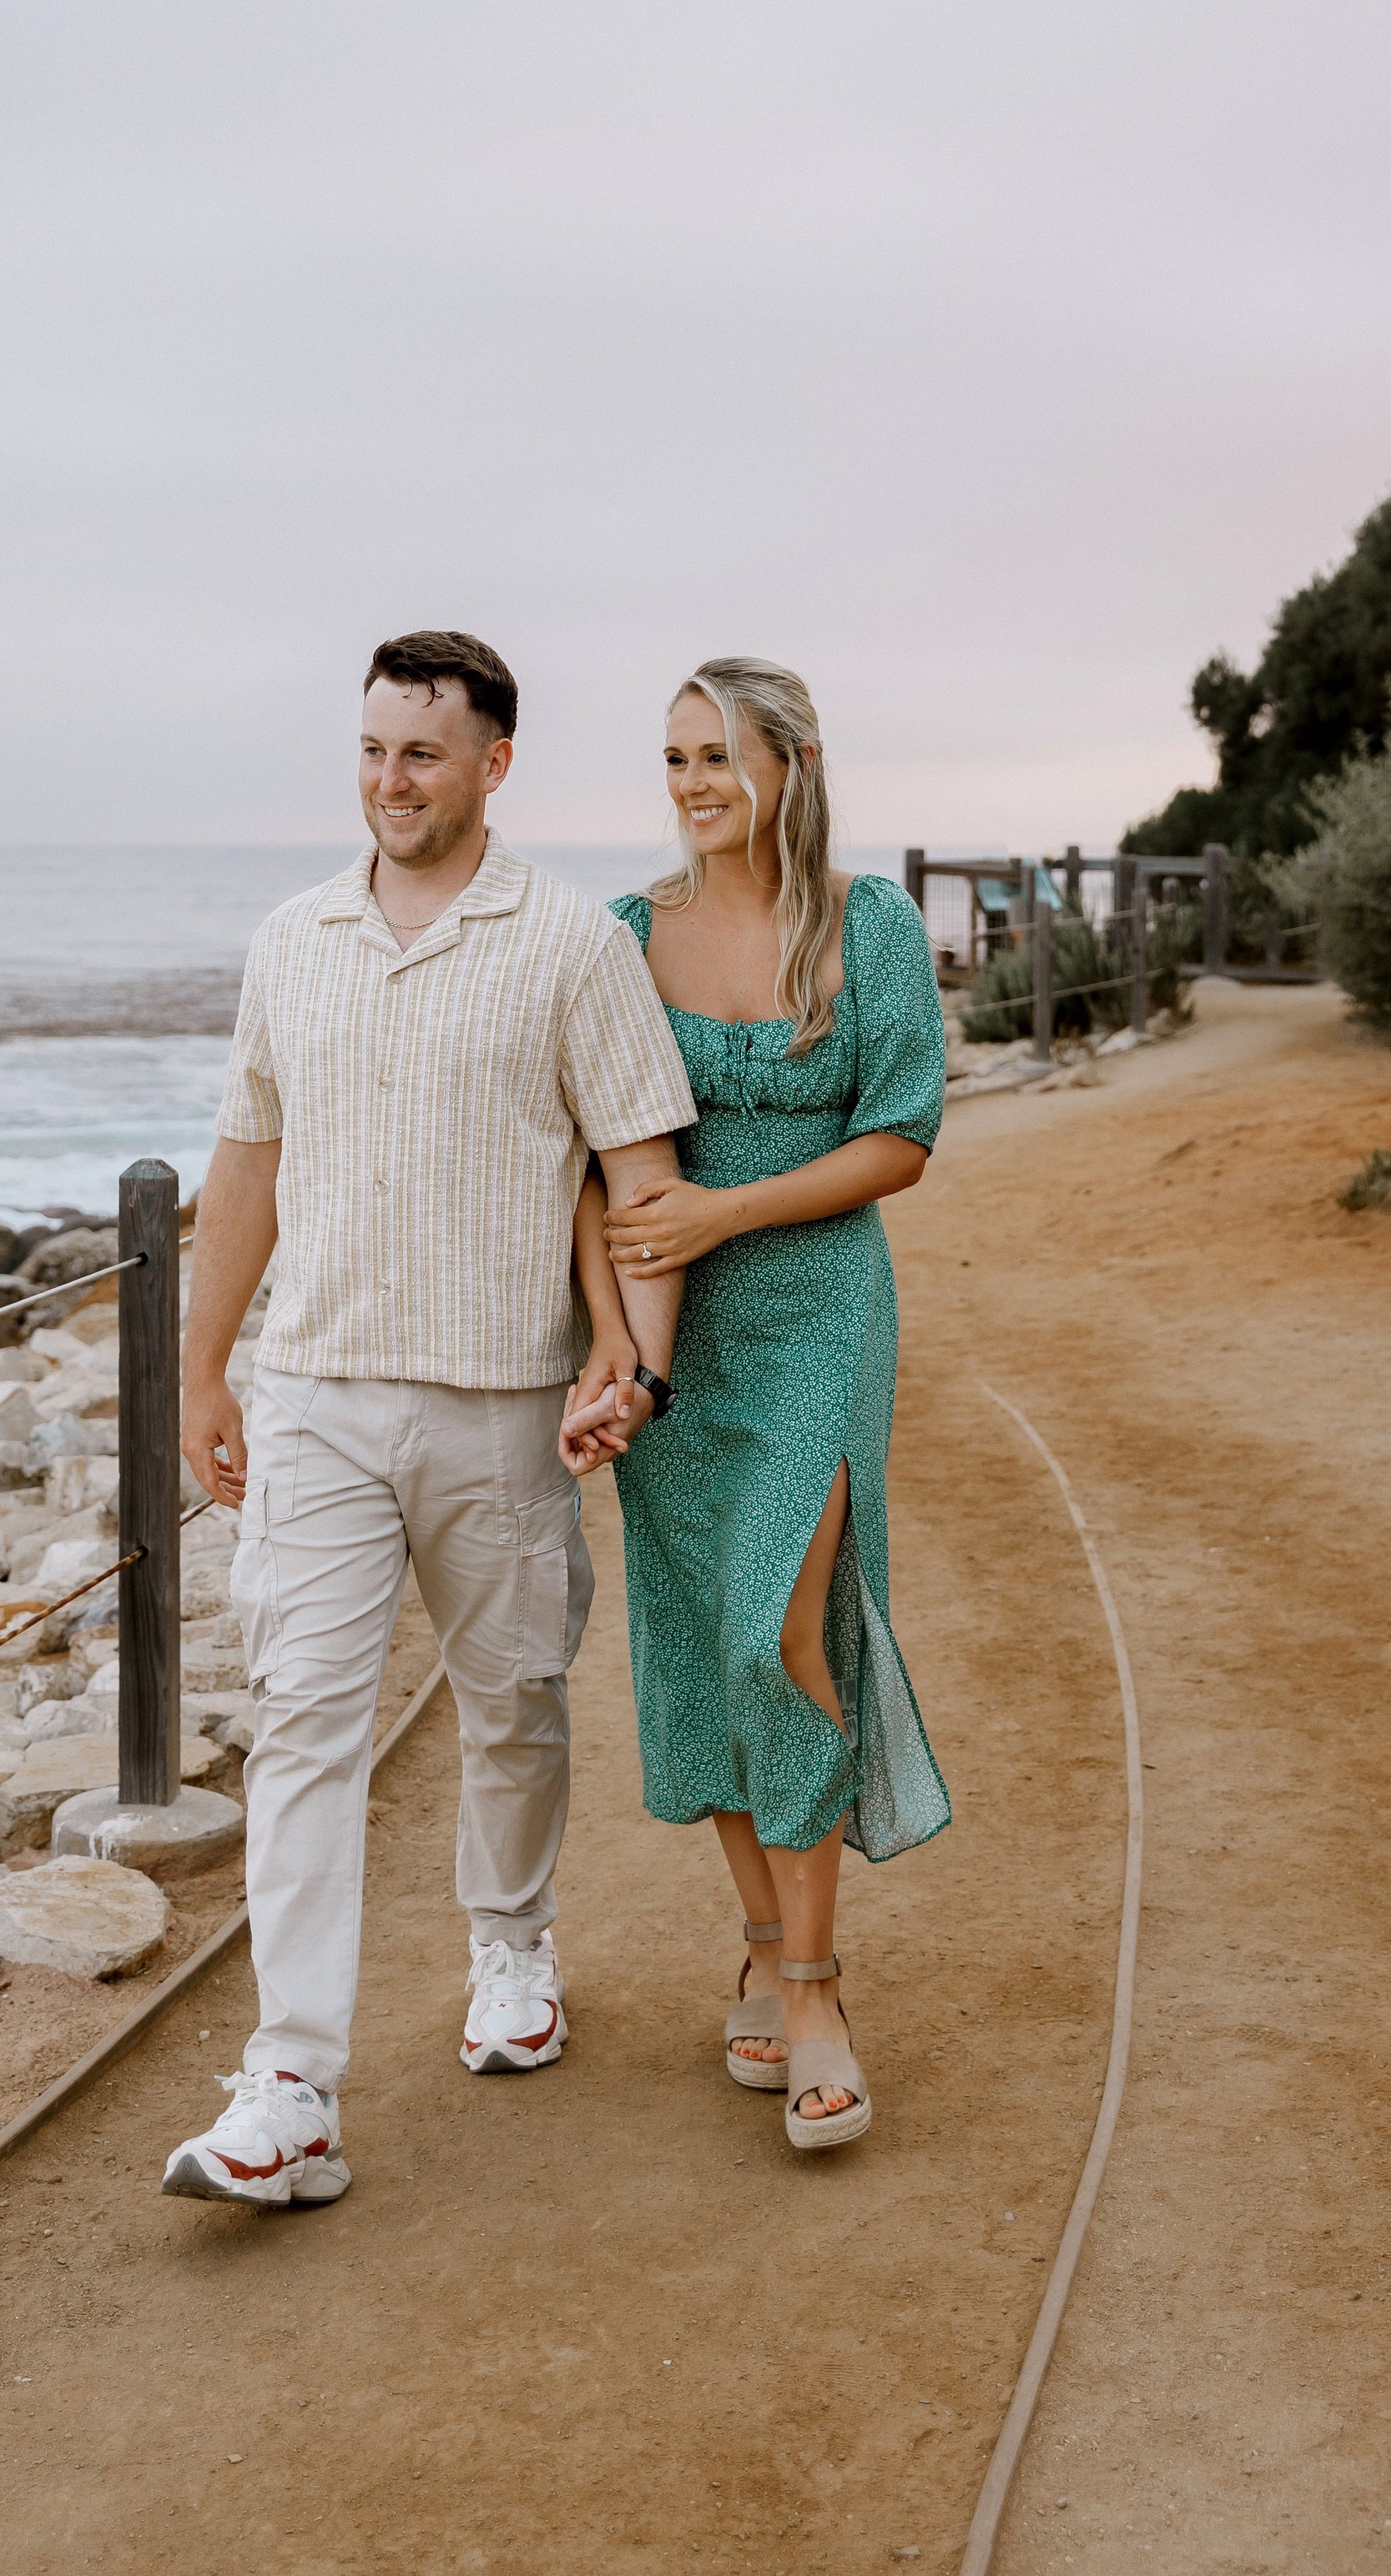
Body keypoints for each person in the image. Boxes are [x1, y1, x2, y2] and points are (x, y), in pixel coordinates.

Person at [164, 628, 696, 2207]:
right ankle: (292, 2083)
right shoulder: (293, 938)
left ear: (492, 765)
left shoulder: (574, 945)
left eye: (421, 753)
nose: (390, 781)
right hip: (317, 1398)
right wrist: (203, 1368)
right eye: (373, 750)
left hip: (506, 1404)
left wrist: (634, 1367)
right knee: (304, 1723)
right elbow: (247, 1164)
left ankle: (513, 1946)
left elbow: (641, 1176)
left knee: (515, 1700)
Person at [562, 656, 950, 2153]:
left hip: (818, 1312)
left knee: (784, 1627)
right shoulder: (623, 934)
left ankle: (816, 1988)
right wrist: (615, 1344)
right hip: (673, 1327)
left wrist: (729, 1211)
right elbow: (591, 1161)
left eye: (719, 755)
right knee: (701, 1631)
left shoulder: (872, 925)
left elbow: (902, 1136)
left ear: (793, 763)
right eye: (676, 759)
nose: (694, 785)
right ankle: (764, 1946)